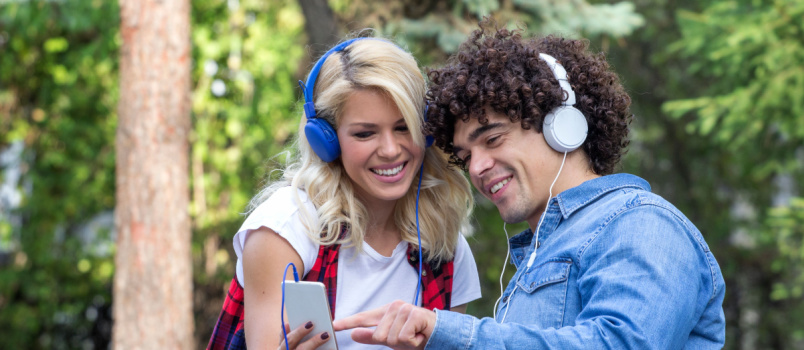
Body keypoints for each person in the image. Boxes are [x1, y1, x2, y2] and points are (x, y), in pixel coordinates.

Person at [333, 20, 727, 349]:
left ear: (561, 126)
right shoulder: (537, 257)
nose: (478, 168)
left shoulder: (641, 224)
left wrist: (449, 332)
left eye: (492, 139)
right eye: (466, 156)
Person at [206, 36, 481, 350]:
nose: (391, 150)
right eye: (365, 133)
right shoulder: (286, 227)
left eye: (404, 127)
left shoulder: (444, 244)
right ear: (326, 140)